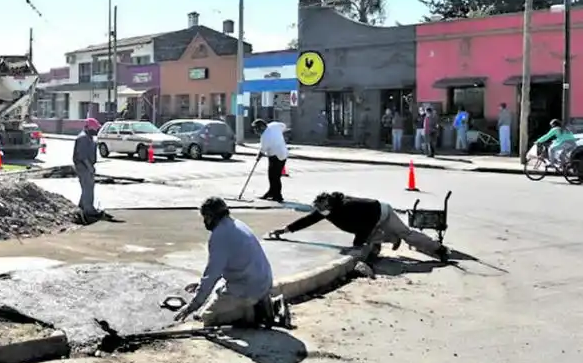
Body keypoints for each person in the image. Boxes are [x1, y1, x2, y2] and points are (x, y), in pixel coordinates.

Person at [174, 197, 277, 327]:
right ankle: (258, 302)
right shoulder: (237, 224)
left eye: (205, 217)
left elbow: (212, 275)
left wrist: (191, 307)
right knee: (217, 289)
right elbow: (228, 266)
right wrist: (201, 285)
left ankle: (252, 313)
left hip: (248, 287)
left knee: (207, 318)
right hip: (262, 280)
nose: (204, 222)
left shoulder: (219, 236)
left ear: (211, 216)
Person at [269, 191, 450, 263]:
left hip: (382, 213)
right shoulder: (326, 210)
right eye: (318, 209)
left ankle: (439, 249)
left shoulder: (348, 208)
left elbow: (365, 226)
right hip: (370, 220)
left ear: (330, 207)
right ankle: (390, 239)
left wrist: (357, 244)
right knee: (369, 239)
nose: (320, 213)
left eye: (322, 210)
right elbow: (306, 221)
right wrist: (285, 230)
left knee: (406, 234)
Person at [73, 117, 105, 224]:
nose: (96, 130)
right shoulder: (83, 138)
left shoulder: (89, 137)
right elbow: (82, 156)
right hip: (83, 166)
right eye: (95, 128)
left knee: (89, 186)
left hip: (87, 165)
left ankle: (82, 207)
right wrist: (90, 167)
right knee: (87, 187)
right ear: (89, 127)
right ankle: (88, 210)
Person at [252, 119, 288, 202]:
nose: (256, 131)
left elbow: (263, 149)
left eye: (256, 129)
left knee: (274, 177)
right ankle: (271, 192)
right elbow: (284, 126)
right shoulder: (274, 125)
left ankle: (278, 195)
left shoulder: (265, 136)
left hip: (275, 157)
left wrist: (258, 157)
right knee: (275, 176)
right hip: (283, 154)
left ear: (261, 127)